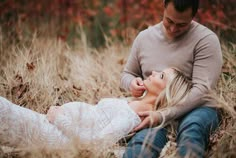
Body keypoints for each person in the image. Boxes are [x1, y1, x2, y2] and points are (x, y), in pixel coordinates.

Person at [120, 0, 223, 158]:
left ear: (193, 16)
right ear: (164, 8)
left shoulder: (206, 40)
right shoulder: (144, 38)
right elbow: (127, 74)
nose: (174, 29)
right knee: (143, 142)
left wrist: (164, 115)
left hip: (197, 108)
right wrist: (131, 84)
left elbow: (203, 90)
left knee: (192, 131)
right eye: (169, 21)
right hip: (155, 107)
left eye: (182, 24)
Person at [0, 68, 192, 150]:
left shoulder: (132, 118)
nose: (153, 72)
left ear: (166, 93)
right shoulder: (133, 102)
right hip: (49, 125)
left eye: (161, 76)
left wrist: (60, 118)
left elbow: (92, 146)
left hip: (52, 135)